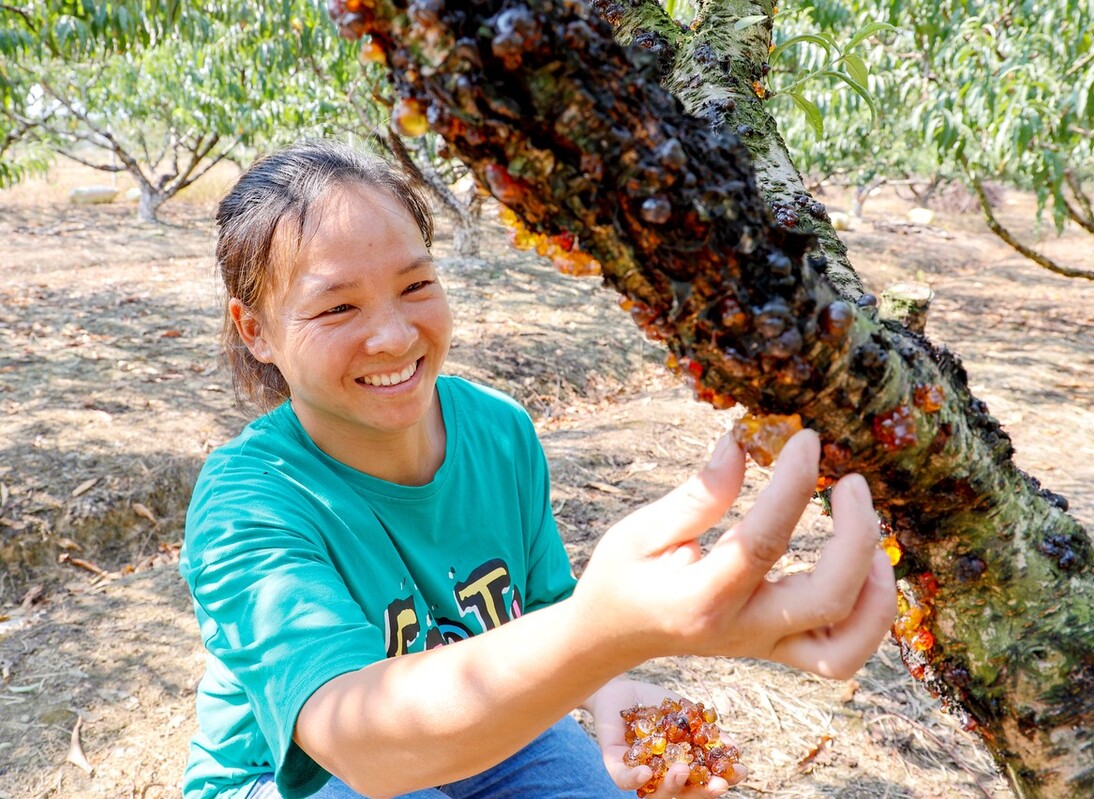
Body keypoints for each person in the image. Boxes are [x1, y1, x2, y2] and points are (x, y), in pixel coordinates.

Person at [179, 139, 897, 799]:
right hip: (289, 777)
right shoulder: (250, 500)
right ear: (256, 330)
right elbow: (361, 745)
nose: (395, 335)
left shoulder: (498, 431)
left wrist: (608, 684)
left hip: (481, 724)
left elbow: (549, 607)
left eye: (416, 285)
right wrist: (608, 633)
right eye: (338, 306)